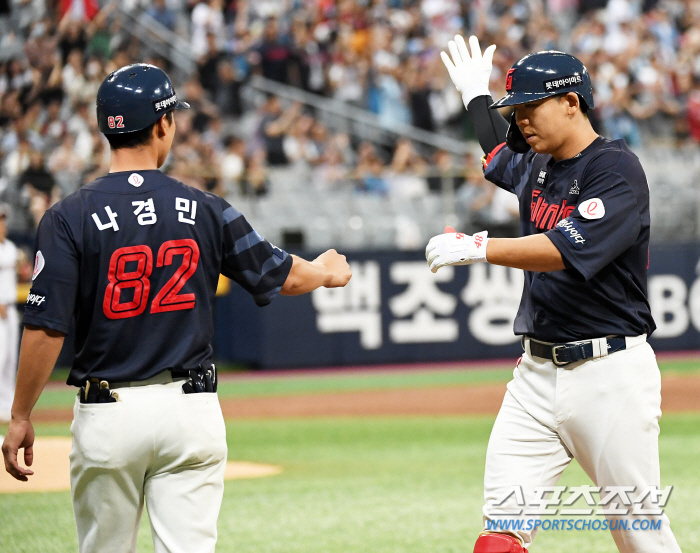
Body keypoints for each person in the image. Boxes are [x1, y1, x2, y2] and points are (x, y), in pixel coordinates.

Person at [1, 64, 352, 553]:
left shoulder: (67, 216)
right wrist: (327, 270)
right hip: (191, 411)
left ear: (107, 129)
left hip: (108, 414)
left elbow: (45, 327)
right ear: (163, 124)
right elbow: (282, 273)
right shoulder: (204, 206)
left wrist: (20, 415)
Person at [429, 35, 681, 553]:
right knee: (498, 537)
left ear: (572, 103)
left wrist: (479, 245)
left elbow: (563, 248)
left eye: (529, 107)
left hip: (610, 376)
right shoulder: (536, 163)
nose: (520, 119)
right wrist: (476, 96)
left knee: (642, 539)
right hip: (535, 378)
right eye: (514, 109)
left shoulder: (614, 169)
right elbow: (497, 152)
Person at [0, 204, 19, 424]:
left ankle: (7, 404)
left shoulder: (11, 247)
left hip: (11, 308)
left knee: (11, 359)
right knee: (1, 357)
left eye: (3, 221)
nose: (2, 225)